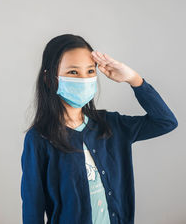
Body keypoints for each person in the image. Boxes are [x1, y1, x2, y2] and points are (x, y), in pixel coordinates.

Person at [20, 33, 178, 224]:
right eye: (73, 72)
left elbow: (165, 121)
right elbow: (33, 207)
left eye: (90, 71)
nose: (84, 79)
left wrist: (134, 79)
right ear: (49, 79)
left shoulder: (112, 125)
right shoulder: (39, 138)